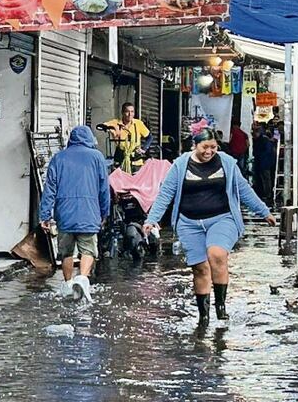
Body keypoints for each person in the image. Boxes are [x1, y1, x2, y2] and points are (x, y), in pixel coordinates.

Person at [144, 128, 276, 327]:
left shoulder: (227, 163)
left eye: (213, 147)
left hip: (222, 218)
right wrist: (152, 219)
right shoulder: (180, 165)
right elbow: (166, 194)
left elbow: (243, 189)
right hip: (189, 223)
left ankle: (221, 308)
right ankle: (203, 316)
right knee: (200, 268)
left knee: (216, 254)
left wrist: (263, 211)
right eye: (205, 147)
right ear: (194, 145)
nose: (209, 151)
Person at [39, 126, 110, 302]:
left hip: (65, 212)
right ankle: (83, 279)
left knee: (66, 252)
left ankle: (68, 284)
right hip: (89, 211)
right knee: (88, 250)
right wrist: (104, 212)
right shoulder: (97, 157)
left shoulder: (58, 158)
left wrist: (45, 215)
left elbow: (50, 189)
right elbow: (104, 189)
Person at [99, 102, 151, 173]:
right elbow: (102, 125)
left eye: (132, 112)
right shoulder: (116, 123)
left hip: (136, 162)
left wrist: (144, 149)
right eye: (127, 112)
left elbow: (149, 137)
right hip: (120, 160)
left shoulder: (138, 123)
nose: (130, 114)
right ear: (122, 113)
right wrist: (105, 127)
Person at [252, 121, 278, 206]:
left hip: (264, 163)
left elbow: (263, 152)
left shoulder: (263, 141)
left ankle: (267, 194)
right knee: (265, 179)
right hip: (265, 163)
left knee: (266, 179)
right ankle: (266, 194)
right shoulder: (265, 140)